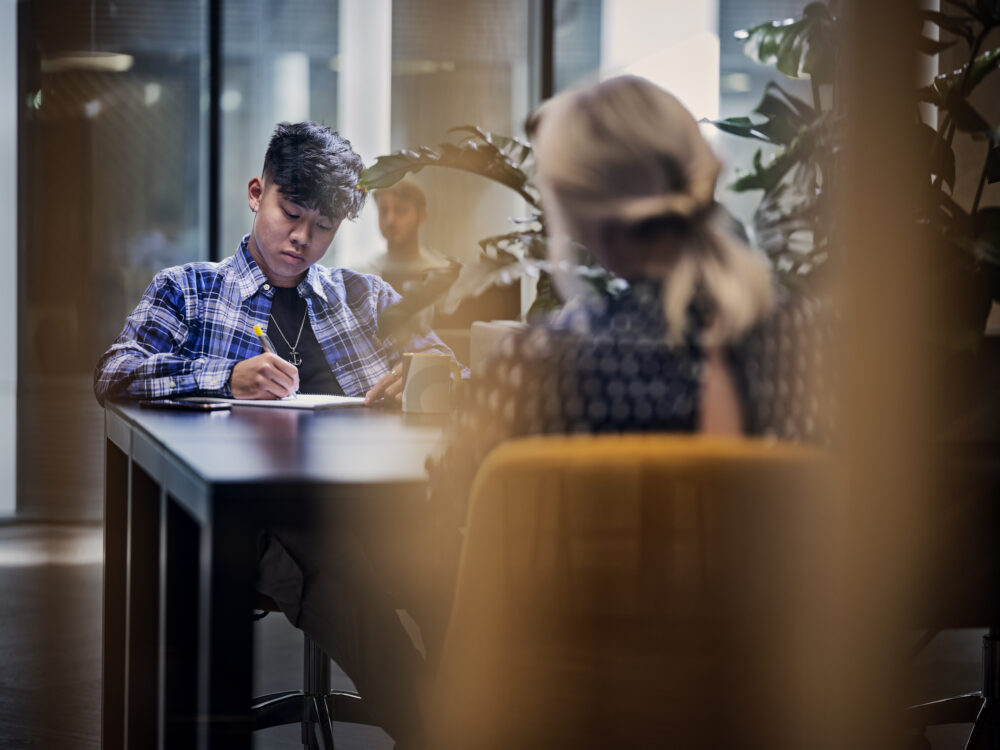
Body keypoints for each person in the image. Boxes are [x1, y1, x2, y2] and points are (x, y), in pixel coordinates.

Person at [423, 75, 834, 658]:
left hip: (572, 702)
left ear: (582, 219)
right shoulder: (809, 347)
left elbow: (448, 510)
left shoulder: (536, 368)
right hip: (780, 700)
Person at [94, 121, 457, 747]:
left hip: (375, 506)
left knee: (453, 567)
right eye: (291, 215)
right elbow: (114, 372)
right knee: (341, 567)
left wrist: (421, 380)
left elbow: (454, 372)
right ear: (258, 192)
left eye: (323, 228)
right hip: (254, 521)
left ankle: (466, 719)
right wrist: (224, 377)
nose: (302, 239)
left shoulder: (367, 299)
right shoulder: (187, 290)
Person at [368, 180, 448, 292]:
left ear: (422, 215)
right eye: (384, 211)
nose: (390, 220)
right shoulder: (364, 276)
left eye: (400, 210)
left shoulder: (441, 276)